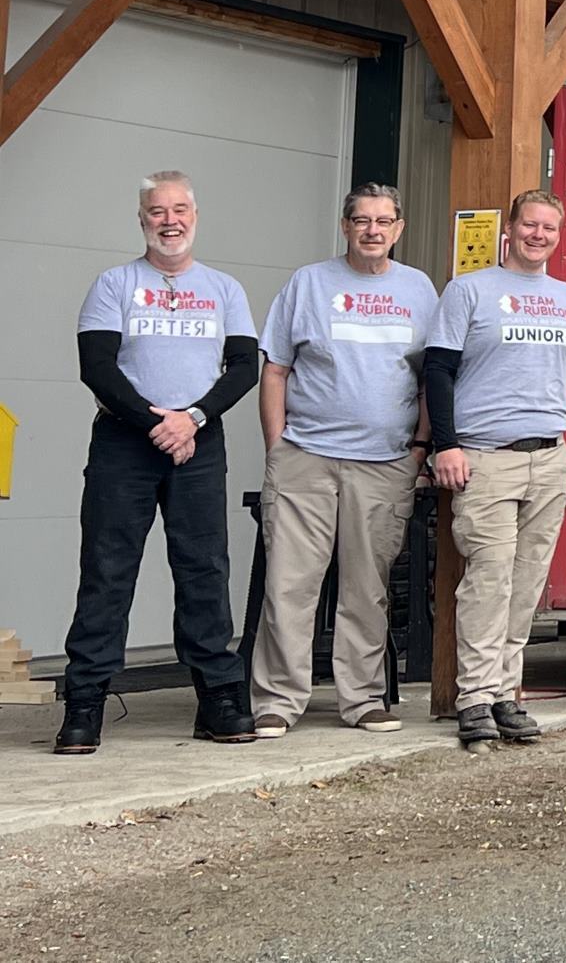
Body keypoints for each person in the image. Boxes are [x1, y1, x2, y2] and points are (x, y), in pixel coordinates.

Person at [56, 171, 263, 755]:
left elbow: (245, 367)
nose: (169, 220)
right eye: (156, 211)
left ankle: (219, 699)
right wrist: (158, 424)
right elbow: (96, 366)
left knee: (204, 570)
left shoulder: (224, 289)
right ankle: (85, 703)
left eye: (179, 209)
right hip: (126, 442)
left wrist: (191, 419)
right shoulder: (114, 283)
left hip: (198, 442)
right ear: (142, 219)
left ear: (195, 216)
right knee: (107, 569)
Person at [248, 184, 441, 738]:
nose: (373, 231)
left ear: (399, 229)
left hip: (384, 463)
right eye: (362, 220)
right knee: (289, 583)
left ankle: (362, 700)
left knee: (368, 586)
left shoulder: (419, 290)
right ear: (345, 226)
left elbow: (432, 376)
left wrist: (420, 448)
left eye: (384, 221)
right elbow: (276, 369)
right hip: (305, 456)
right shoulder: (308, 283)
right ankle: (278, 700)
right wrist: (277, 445)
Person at [424, 189, 566, 749]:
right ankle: (476, 699)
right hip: (485, 458)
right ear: (510, 229)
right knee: (488, 580)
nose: (538, 235)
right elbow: (438, 371)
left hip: (549, 458)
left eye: (549, 228)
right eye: (530, 225)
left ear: (560, 235)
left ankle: (507, 693)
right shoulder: (469, 291)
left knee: (527, 583)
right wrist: (446, 445)